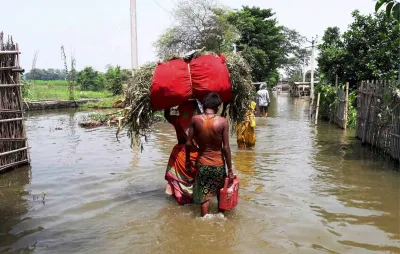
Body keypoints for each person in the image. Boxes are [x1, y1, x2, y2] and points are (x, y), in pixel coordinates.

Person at [186, 93, 234, 217]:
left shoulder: (195, 120)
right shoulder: (223, 122)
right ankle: (220, 218)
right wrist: (230, 171)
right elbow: (226, 148)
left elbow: (188, 143)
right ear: (217, 107)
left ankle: (204, 221)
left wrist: (188, 160)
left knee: (205, 198)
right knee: (220, 194)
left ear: (203, 105)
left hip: (203, 165)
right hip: (218, 165)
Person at [164, 100, 199, 205]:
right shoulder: (200, 122)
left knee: (177, 181)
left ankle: (179, 199)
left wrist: (168, 103)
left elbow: (166, 115)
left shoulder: (177, 119)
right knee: (194, 182)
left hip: (179, 154)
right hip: (194, 155)